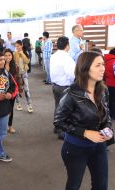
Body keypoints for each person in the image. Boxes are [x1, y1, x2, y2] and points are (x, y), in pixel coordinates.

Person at [54, 51, 114, 190]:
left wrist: (107, 127)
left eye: (103, 64)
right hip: (75, 148)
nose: (103, 68)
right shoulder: (71, 94)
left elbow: (106, 115)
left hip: (99, 146)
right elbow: (58, 121)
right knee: (74, 185)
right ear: (85, 68)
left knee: (101, 186)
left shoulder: (103, 90)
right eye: (98, 65)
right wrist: (85, 132)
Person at [50, 36, 75, 139]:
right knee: (65, 109)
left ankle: (57, 126)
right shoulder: (66, 58)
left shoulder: (54, 55)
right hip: (64, 86)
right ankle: (61, 131)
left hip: (55, 85)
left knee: (58, 107)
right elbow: (71, 74)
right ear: (67, 45)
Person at [14, 40, 33, 113]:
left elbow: (27, 61)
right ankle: (18, 104)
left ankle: (29, 105)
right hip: (17, 74)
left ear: (21, 45)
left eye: (18, 46)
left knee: (26, 90)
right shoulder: (15, 54)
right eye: (16, 46)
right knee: (17, 89)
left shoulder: (25, 52)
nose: (17, 47)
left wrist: (22, 53)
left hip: (24, 73)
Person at [4, 49, 20, 134]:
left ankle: (10, 126)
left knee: (10, 109)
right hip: (2, 91)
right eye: (5, 55)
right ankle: (3, 126)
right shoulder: (1, 66)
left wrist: (19, 91)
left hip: (12, 91)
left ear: (12, 56)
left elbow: (18, 79)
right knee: (3, 109)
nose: (7, 57)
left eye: (9, 55)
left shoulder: (15, 66)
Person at [104, 48, 115, 120]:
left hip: (108, 84)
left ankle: (110, 115)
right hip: (114, 85)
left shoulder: (105, 61)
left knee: (110, 101)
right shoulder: (114, 62)